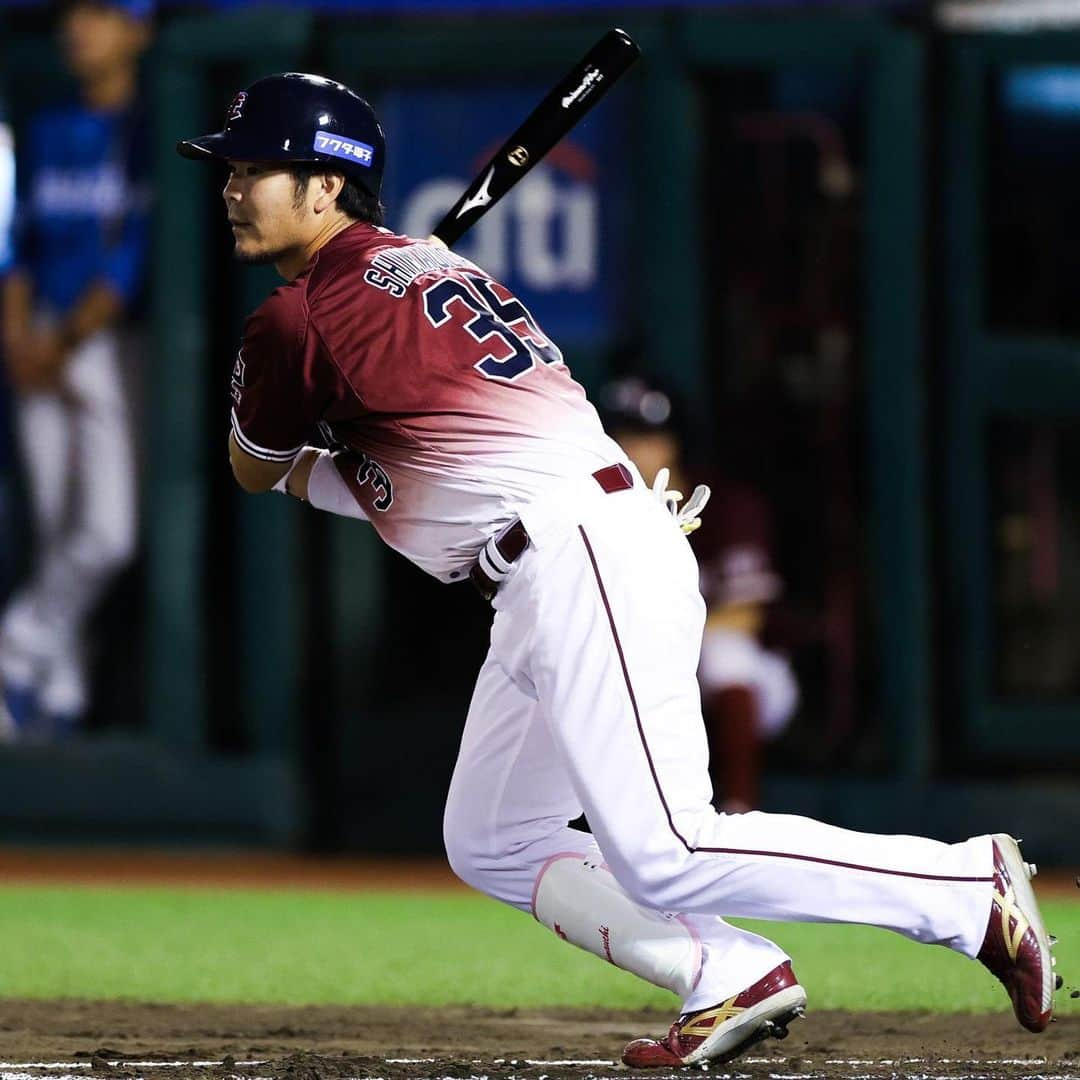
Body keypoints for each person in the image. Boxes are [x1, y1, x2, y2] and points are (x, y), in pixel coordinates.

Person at [178, 73, 1056, 1067]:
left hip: (577, 551)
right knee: (494, 836)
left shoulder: (299, 320)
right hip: (555, 563)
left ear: (326, 188)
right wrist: (348, 413)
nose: (231, 186)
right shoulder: (433, 280)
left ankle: (960, 890)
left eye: (253, 169)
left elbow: (256, 466)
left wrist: (324, 417)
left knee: (667, 846)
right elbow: (391, 469)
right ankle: (725, 973)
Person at [0, 0, 152, 737]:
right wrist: (17, 336)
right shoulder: (49, 129)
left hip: (103, 346)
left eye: (100, 12)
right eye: (74, 12)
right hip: (36, 342)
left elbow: (130, 266)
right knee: (56, 525)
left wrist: (56, 342)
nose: (77, 26)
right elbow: (20, 241)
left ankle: (19, 645)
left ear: (139, 31)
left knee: (108, 535)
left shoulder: (149, 133)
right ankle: (52, 694)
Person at [601, 376, 798, 812]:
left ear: (675, 443)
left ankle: (738, 806)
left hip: (753, 682)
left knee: (725, 651)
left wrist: (664, 642)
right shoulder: (596, 515)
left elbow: (746, 616)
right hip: (646, 671)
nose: (635, 451)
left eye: (650, 438)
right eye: (625, 438)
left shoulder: (723, 505)